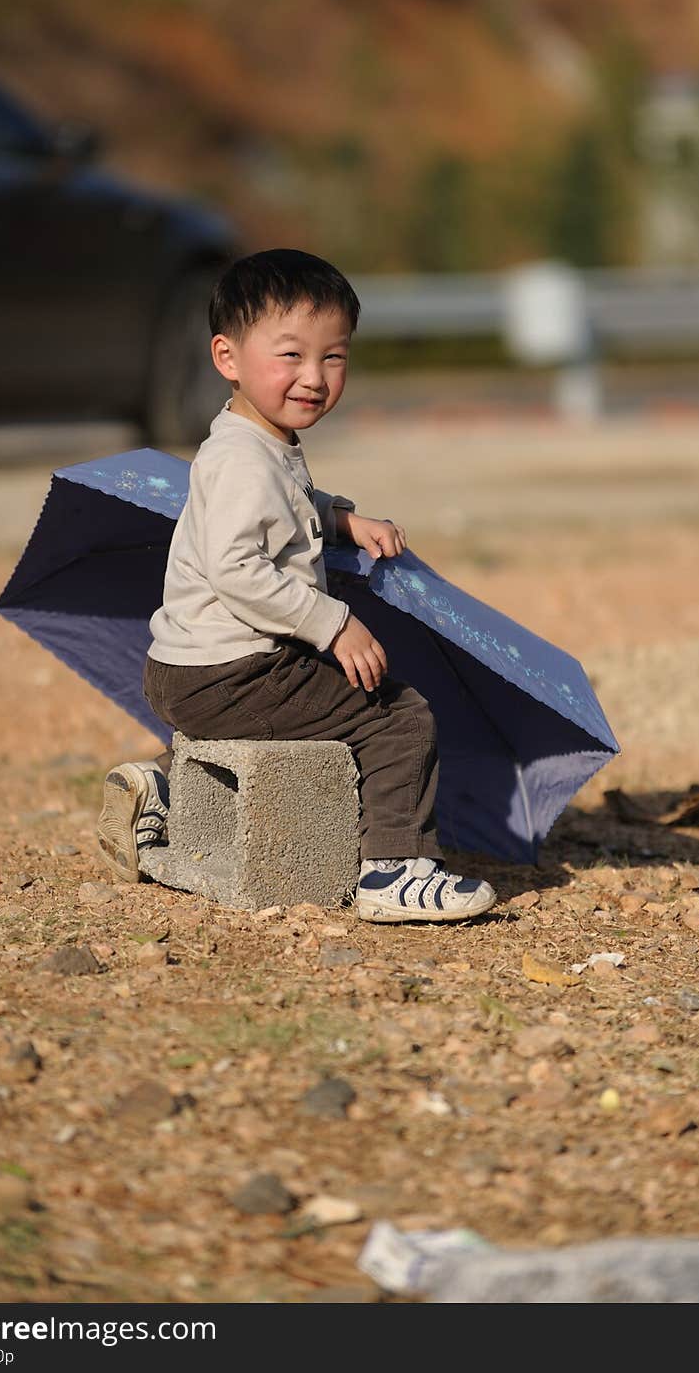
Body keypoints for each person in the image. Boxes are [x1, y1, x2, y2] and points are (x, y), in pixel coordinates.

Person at [96, 248, 497, 924]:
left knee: (313, 708)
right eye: (291, 356)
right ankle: (394, 868)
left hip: (192, 669)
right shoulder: (244, 461)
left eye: (333, 357)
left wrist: (339, 520)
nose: (314, 377)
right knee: (398, 717)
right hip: (232, 673)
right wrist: (331, 621)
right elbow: (236, 568)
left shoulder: (254, 442)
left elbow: (285, 508)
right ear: (227, 357)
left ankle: (165, 787)